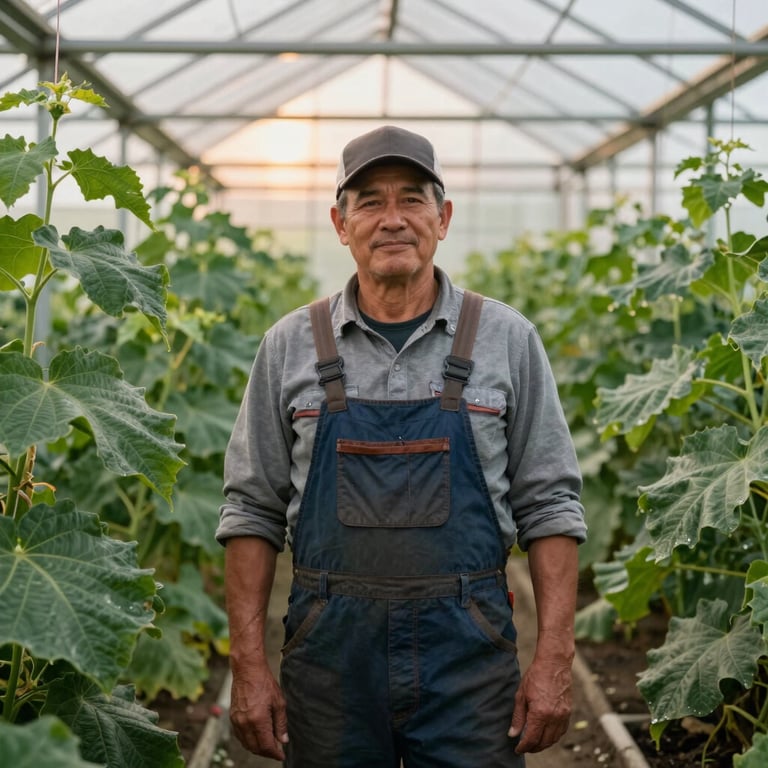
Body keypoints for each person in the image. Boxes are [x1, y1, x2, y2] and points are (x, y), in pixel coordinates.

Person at [217, 125, 587, 767]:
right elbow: (250, 512)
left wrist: (555, 658)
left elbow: (551, 506)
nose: (393, 219)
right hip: (329, 655)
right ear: (340, 222)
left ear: (442, 218)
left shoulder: (505, 338)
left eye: (412, 199)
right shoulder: (290, 346)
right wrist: (247, 666)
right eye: (369, 201)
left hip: (467, 653)